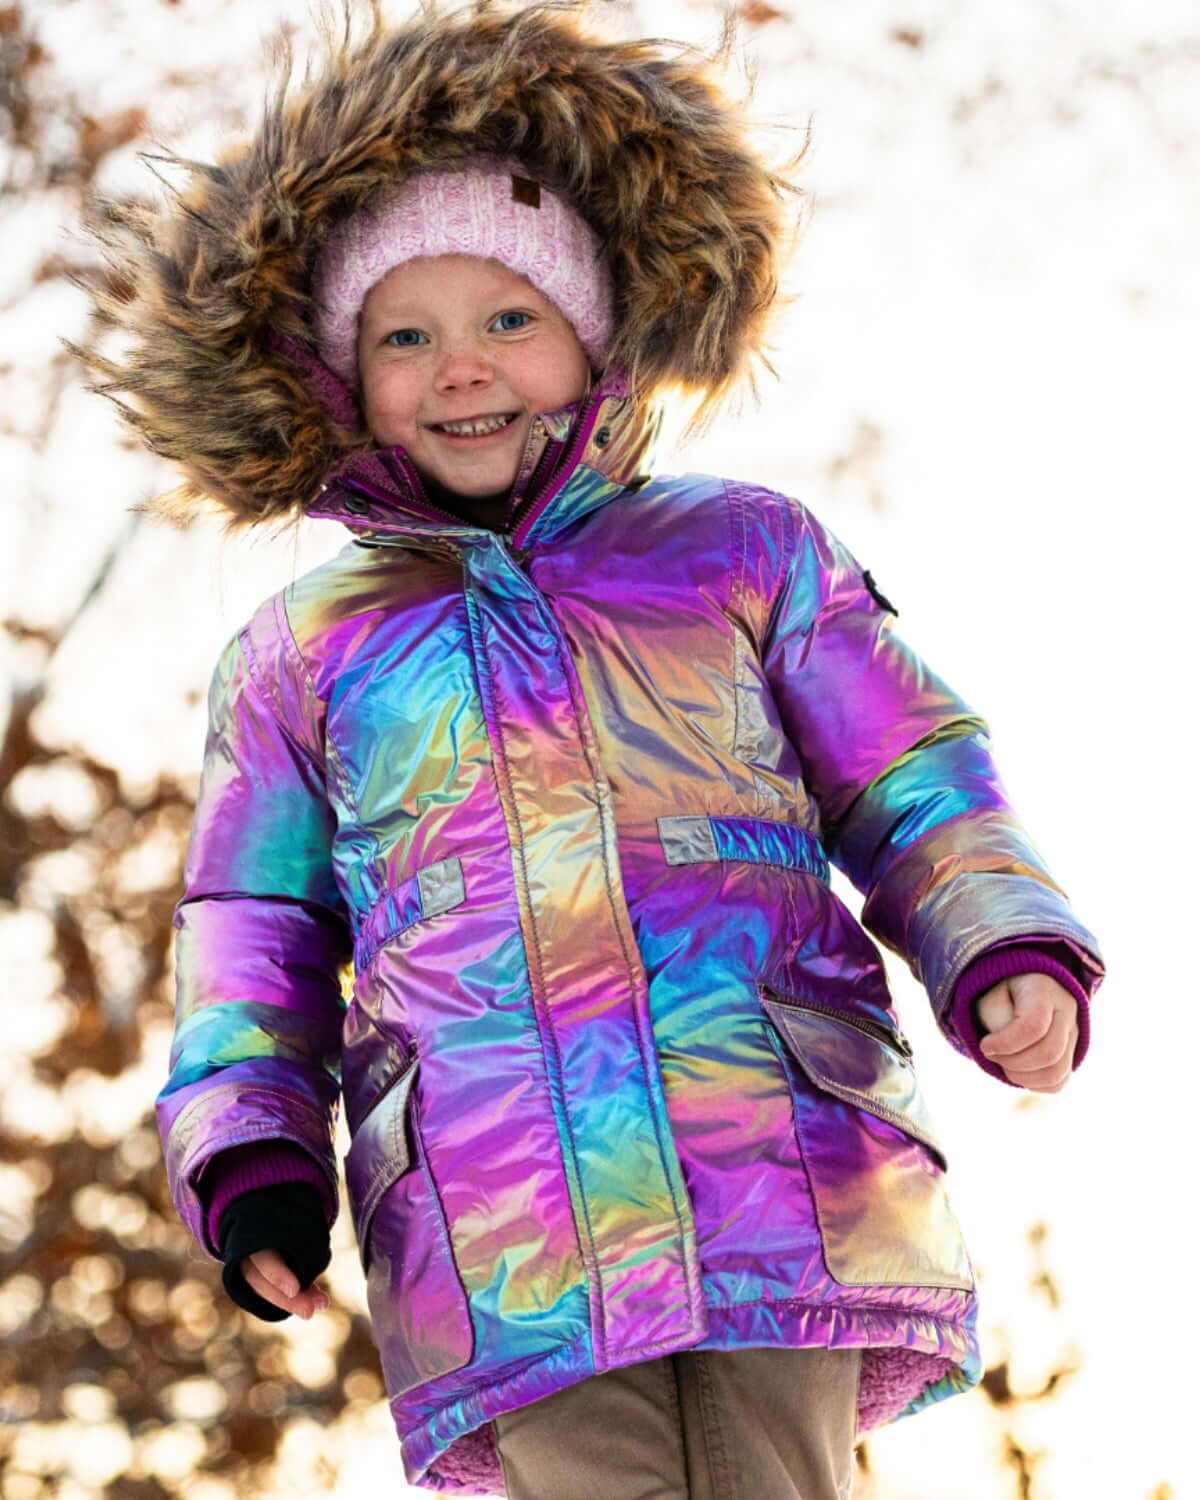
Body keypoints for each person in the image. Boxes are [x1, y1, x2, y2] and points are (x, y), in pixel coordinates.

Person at [80, 4, 1105, 1496]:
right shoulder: (306, 650)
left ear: (593, 335)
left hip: (772, 1151)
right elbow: (254, 926)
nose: (461, 368)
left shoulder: (739, 549)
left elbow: (909, 775)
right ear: (341, 379)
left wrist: (999, 936)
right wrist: (253, 1150)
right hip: (504, 1217)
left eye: (509, 320)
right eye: (406, 338)